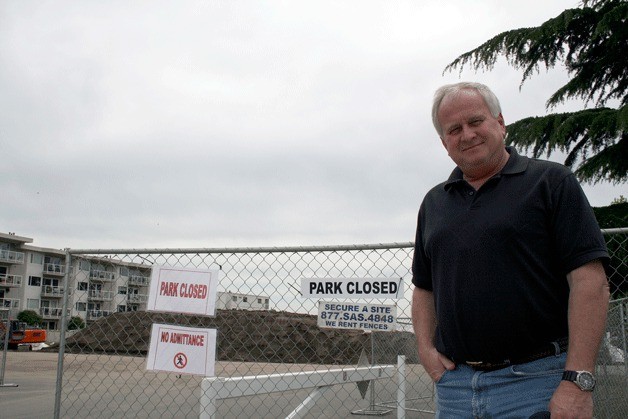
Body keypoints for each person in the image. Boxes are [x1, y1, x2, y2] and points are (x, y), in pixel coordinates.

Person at [411, 82, 610, 418]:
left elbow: (590, 282)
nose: (467, 134)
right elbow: (424, 287)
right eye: (454, 129)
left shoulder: (550, 182)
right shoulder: (434, 203)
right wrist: (426, 350)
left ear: (500, 123)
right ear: (445, 143)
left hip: (538, 382)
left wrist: (577, 381)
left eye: (476, 122)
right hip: (456, 389)